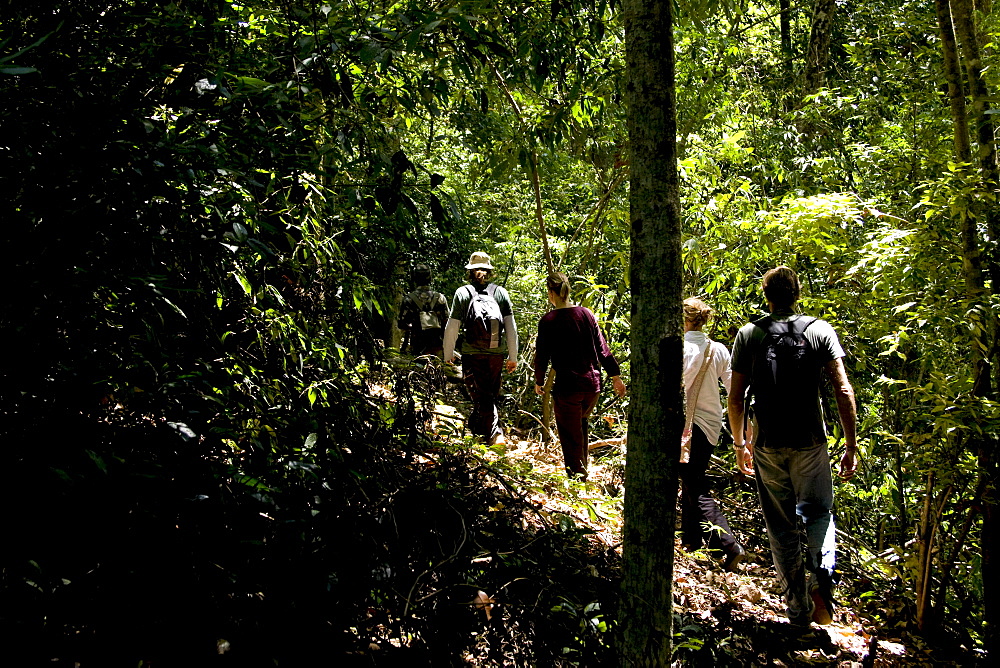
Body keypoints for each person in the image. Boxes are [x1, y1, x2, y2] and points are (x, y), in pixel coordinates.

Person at [727, 266, 858, 627]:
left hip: (767, 443)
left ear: (766, 297)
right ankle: (821, 579)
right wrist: (850, 443)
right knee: (818, 513)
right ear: (797, 293)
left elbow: (735, 400)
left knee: (781, 526)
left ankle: (797, 611)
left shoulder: (749, 334)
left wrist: (740, 444)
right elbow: (843, 390)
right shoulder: (819, 330)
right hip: (811, 441)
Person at [533, 272, 626, 479]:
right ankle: (582, 473)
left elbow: (542, 355)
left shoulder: (549, 320)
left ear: (551, 293)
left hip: (568, 387)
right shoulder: (586, 314)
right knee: (580, 427)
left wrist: (539, 381)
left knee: (570, 434)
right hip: (592, 386)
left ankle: (577, 480)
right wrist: (615, 376)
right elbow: (603, 349)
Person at [680, 298, 745, 571]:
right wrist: (743, 435)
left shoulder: (681, 348)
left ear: (683, 319)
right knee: (691, 481)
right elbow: (735, 392)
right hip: (710, 426)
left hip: (685, 426)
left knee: (694, 484)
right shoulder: (718, 349)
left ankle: (728, 543)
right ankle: (691, 542)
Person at [443, 252, 519, 445]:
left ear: (469, 271)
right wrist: (513, 355)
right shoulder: (500, 292)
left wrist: (448, 352)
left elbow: (453, 325)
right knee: (488, 395)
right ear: (489, 270)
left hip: (471, 352)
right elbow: (510, 326)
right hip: (496, 353)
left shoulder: (463, 293)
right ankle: (480, 434)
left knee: (482, 395)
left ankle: (496, 434)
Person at [398, 263, 450, 357]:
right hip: (437, 346)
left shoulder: (408, 299)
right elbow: (447, 322)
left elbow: (402, 324)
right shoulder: (440, 298)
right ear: (430, 278)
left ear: (414, 278)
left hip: (416, 347)